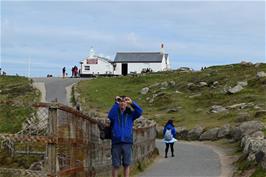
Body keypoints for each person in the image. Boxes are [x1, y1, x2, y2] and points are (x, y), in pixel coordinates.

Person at [108, 96, 143, 177]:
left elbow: (140, 111)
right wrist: (116, 103)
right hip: (116, 142)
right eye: (121, 101)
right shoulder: (115, 114)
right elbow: (110, 115)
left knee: (126, 164)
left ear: (127, 103)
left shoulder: (130, 114)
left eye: (124, 101)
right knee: (115, 164)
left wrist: (132, 103)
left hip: (127, 142)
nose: (122, 103)